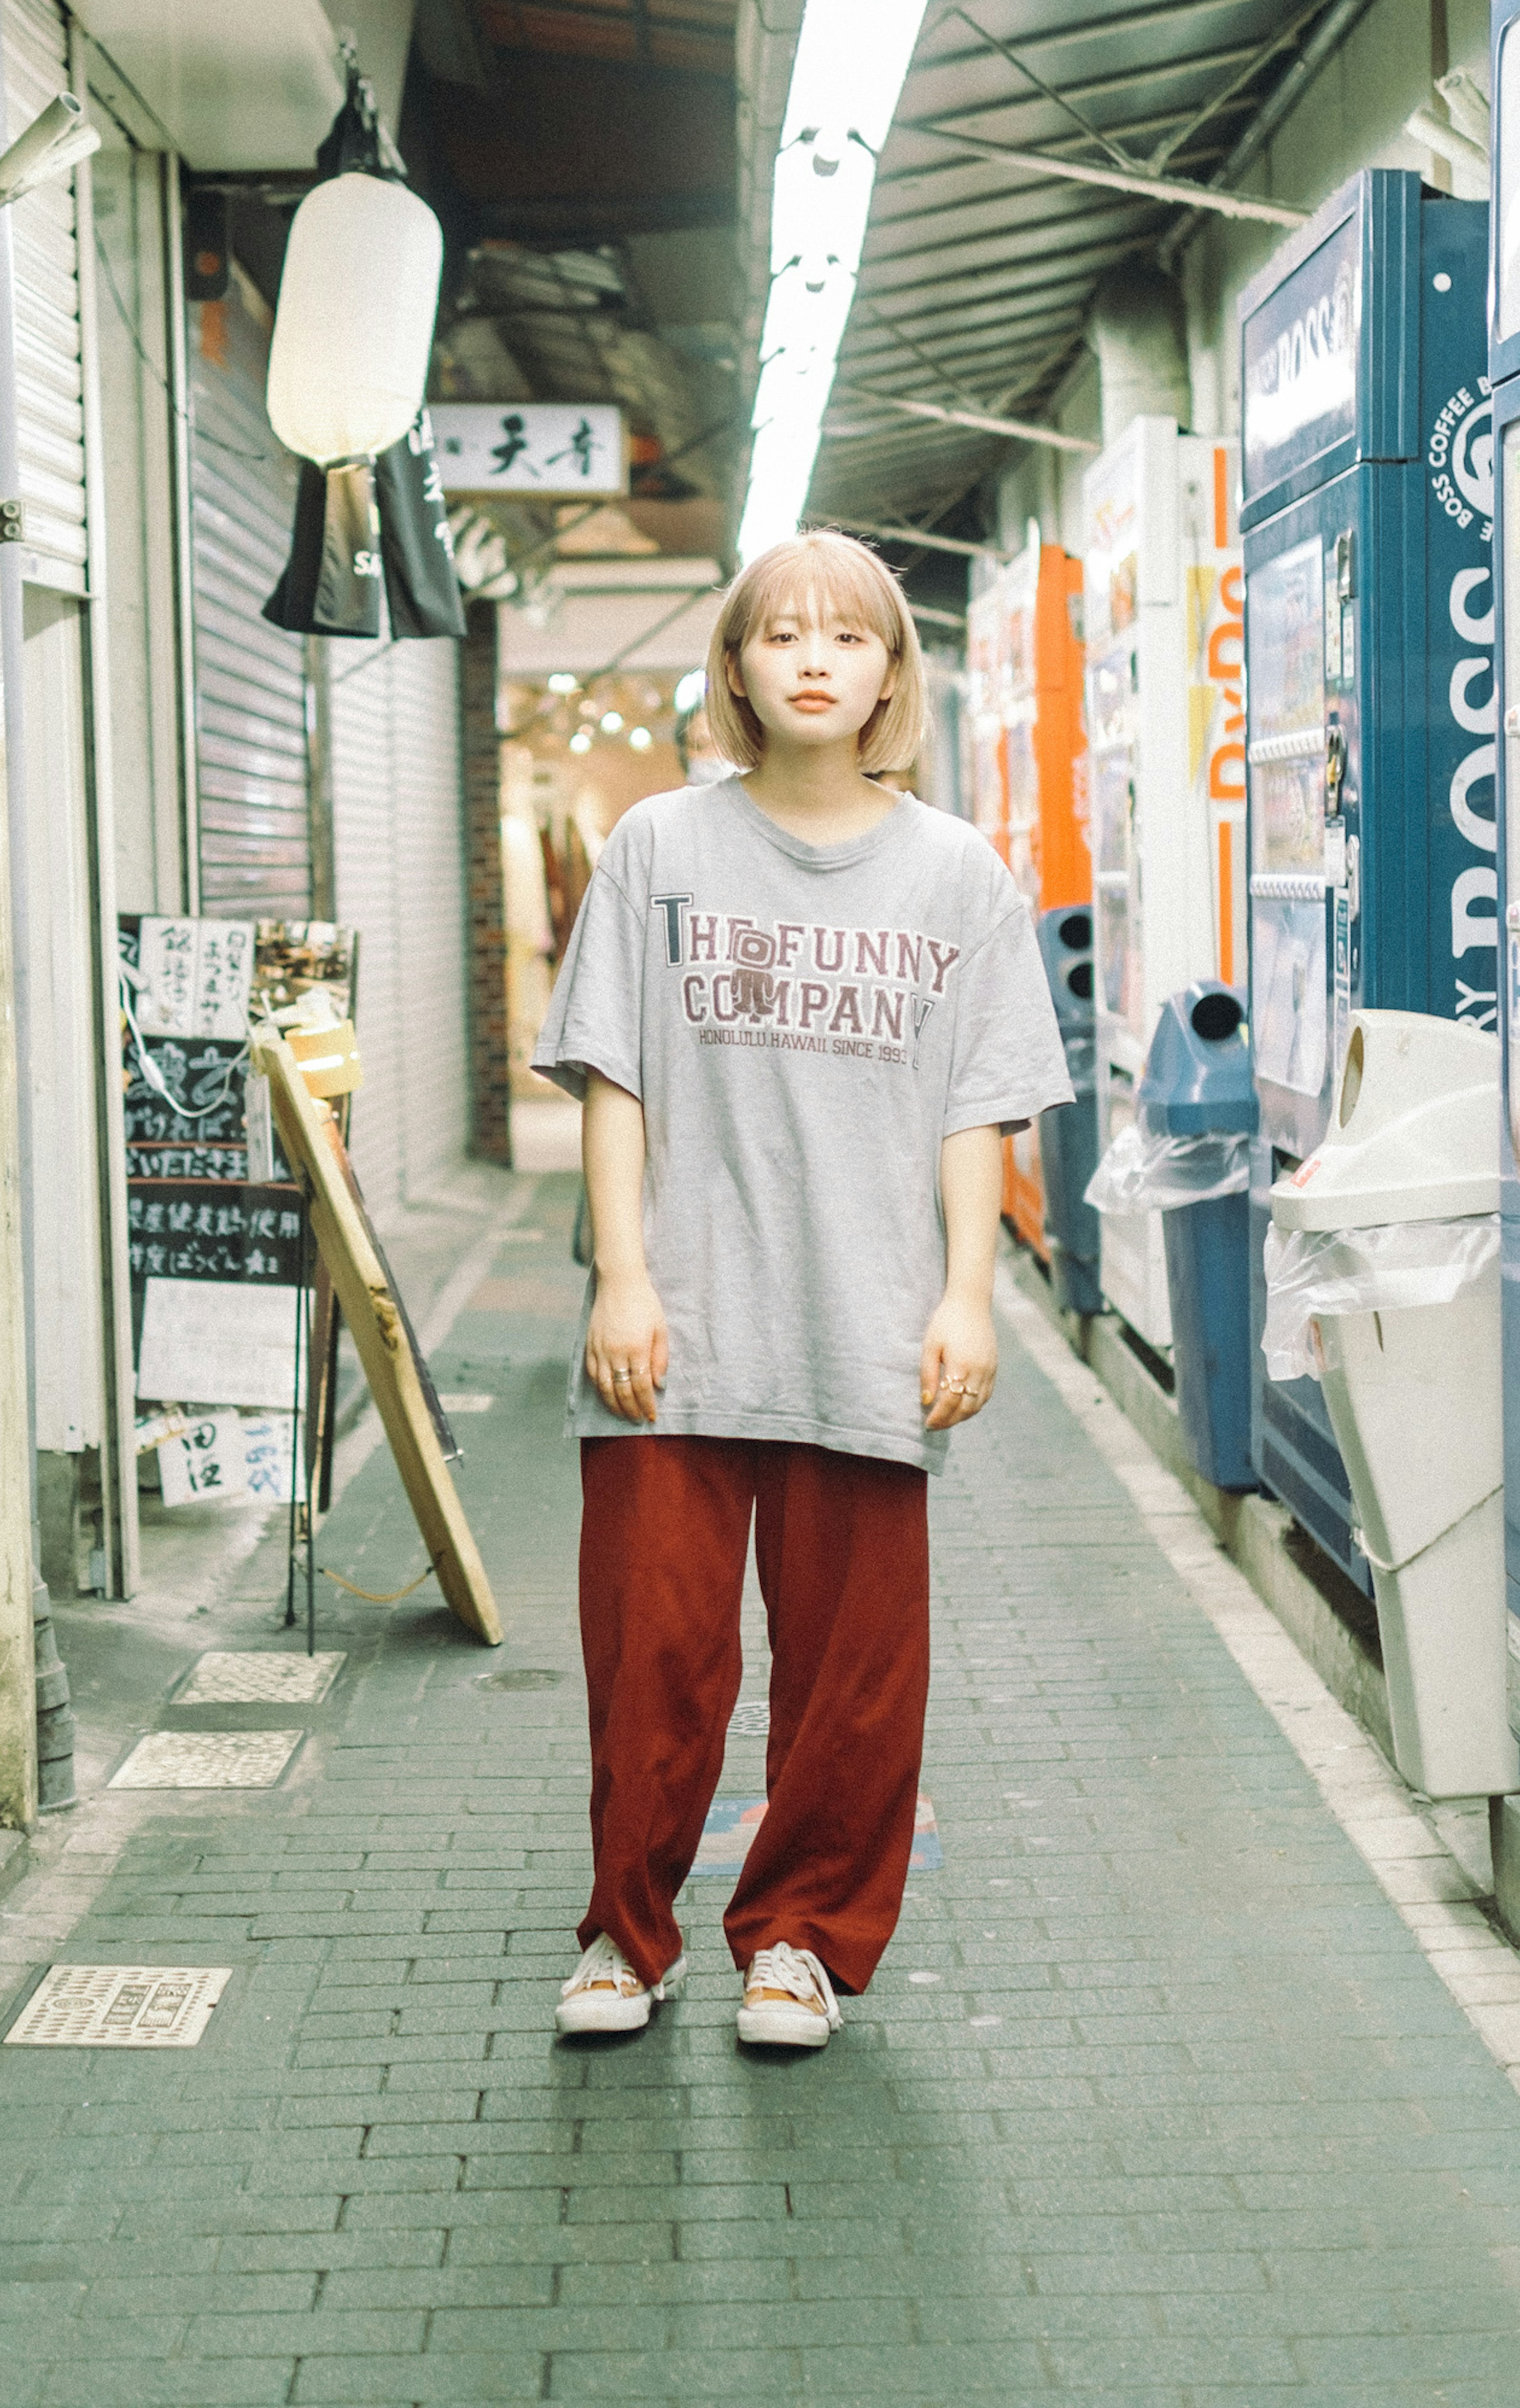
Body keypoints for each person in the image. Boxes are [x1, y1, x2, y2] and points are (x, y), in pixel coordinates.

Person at [531, 530, 1072, 2050]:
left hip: (870, 1326)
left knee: (854, 1676)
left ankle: (804, 1944)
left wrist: (970, 1298)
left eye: (850, 637)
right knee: (654, 1662)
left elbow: (981, 1107)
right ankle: (627, 1942)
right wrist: (621, 1276)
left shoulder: (957, 875)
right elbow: (614, 1080)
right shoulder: (658, 850)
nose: (816, 659)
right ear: (740, 668)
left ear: (894, 673)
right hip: (679, 1333)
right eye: (782, 635)